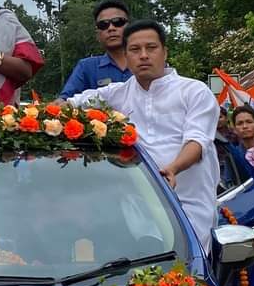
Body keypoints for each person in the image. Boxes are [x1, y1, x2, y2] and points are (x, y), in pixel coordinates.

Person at [66, 20, 219, 252]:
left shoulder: (194, 91)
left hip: (188, 204)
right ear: (126, 57)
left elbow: (197, 142)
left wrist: (173, 169)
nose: (144, 55)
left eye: (151, 48)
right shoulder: (118, 93)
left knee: (188, 265)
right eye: (135, 50)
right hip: (138, 207)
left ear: (165, 52)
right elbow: (69, 105)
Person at [57, 0, 133, 100]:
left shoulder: (147, 61)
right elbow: (63, 102)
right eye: (103, 25)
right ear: (97, 34)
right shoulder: (86, 67)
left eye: (118, 22)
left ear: (131, 28)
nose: (111, 28)